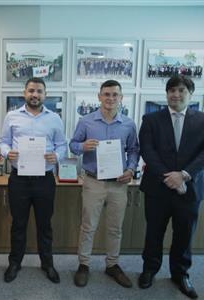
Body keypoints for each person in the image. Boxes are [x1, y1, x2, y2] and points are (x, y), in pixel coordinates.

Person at [138, 75, 204, 299]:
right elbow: (147, 151)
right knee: (154, 232)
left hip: (190, 188)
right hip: (158, 188)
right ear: (166, 94)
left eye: (181, 90)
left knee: (184, 234)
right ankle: (149, 270)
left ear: (190, 94)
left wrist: (184, 175)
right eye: (171, 90)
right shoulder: (151, 119)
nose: (175, 94)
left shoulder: (202, 120)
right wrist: (170, 177)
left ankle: (180, 273)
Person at [70, 80, 139, 288]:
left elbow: (134, 149)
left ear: (121, 98)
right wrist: (82, 145)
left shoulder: (128, 124)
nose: (110, 98)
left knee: (115, 228)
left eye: (115, 95)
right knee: (88, 226)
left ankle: (112, 264)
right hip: (93, 181)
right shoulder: (86, 121)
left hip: (118, 183)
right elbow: (73, 146)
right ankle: (83, 265)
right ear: (99, 96)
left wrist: (130, 169)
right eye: (106, 94)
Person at [0, 77, 67, 283]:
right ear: (24, 93)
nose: (34, 95)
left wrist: (57, 156)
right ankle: (15, 263)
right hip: (19, 179)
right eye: (31, 91)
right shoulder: (12, 116)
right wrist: (7, 153)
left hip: (44, 179)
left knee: (44, 224)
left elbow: (62, 145)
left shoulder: (55, 118)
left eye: (39, 91)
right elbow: (3, 142)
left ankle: (47, 264)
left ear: (45, 95)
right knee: (18, 224)